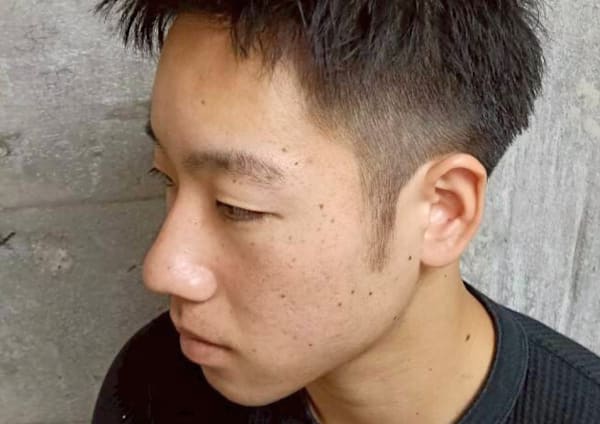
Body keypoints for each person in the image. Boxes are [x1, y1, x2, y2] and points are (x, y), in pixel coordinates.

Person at [91, 1, 600, 423]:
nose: (162, 269)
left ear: (442, 210)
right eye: (166, 178)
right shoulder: (155, 385)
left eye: (236, 206)